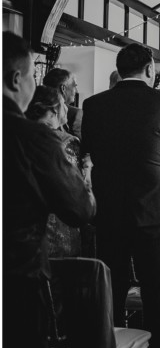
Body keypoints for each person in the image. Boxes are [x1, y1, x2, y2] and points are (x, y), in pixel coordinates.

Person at [81, 43, 160, 348]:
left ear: (119, 69)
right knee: (155, 297)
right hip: (155, 212)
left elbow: (87, 150)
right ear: (150, 69)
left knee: (111, 295)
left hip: (110, 213)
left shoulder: (94, 104)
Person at [3, 32, 95, 348]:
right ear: (17, 79)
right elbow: (80, 210)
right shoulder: (34, 139)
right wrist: (86, 174)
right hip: (17, 281)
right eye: (31, 76)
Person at [25, 85, 90, 258]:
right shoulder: (66, 142)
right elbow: (74, 188)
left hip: (25, 229)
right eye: (63, 103)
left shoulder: (21, 136)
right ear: (53, 111)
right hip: (58, 227)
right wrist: (88, 169)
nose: (67, 108)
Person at [42, 67, 82, 139]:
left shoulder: (32, 109)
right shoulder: (76, 113)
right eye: (74, 86)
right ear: (63, 88)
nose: (76, 91)